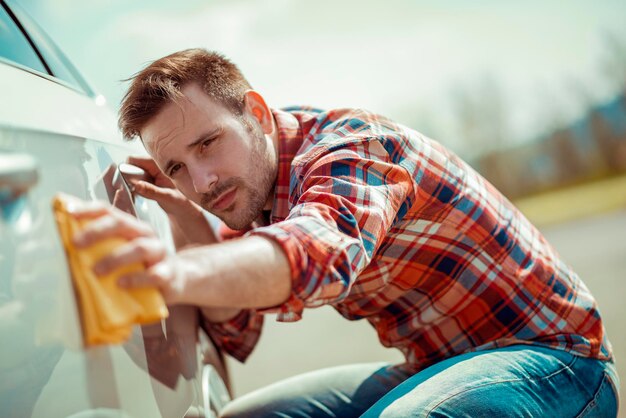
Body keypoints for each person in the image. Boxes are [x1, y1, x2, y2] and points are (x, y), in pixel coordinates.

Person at [69, 48, 620, 417]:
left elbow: (321, 250)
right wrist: (191, 232)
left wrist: (171, 271)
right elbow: (233, 328)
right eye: (177, 169)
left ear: (256, 113)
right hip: (432, 366)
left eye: (208, 144)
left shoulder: (350, 146)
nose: (202, 181)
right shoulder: (256, 193)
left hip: (556, 361)